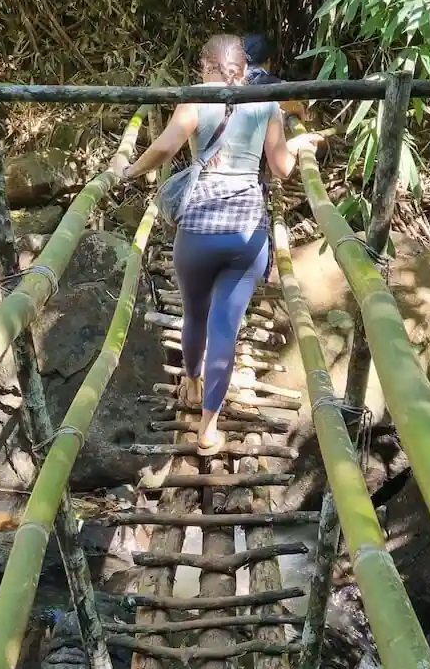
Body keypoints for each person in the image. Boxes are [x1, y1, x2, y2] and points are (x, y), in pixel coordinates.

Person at [111, 34, 320, 455]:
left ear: (205, 66)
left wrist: (125, 170)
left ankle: (191, 383)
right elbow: (281, 168)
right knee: (225, 328)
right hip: (246, 236)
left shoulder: (195, 99)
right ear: (246, 68)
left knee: (195, 315)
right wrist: (297, 145)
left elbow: (165, 147)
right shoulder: (266, 102)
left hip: (197, 233)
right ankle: (208, 429)